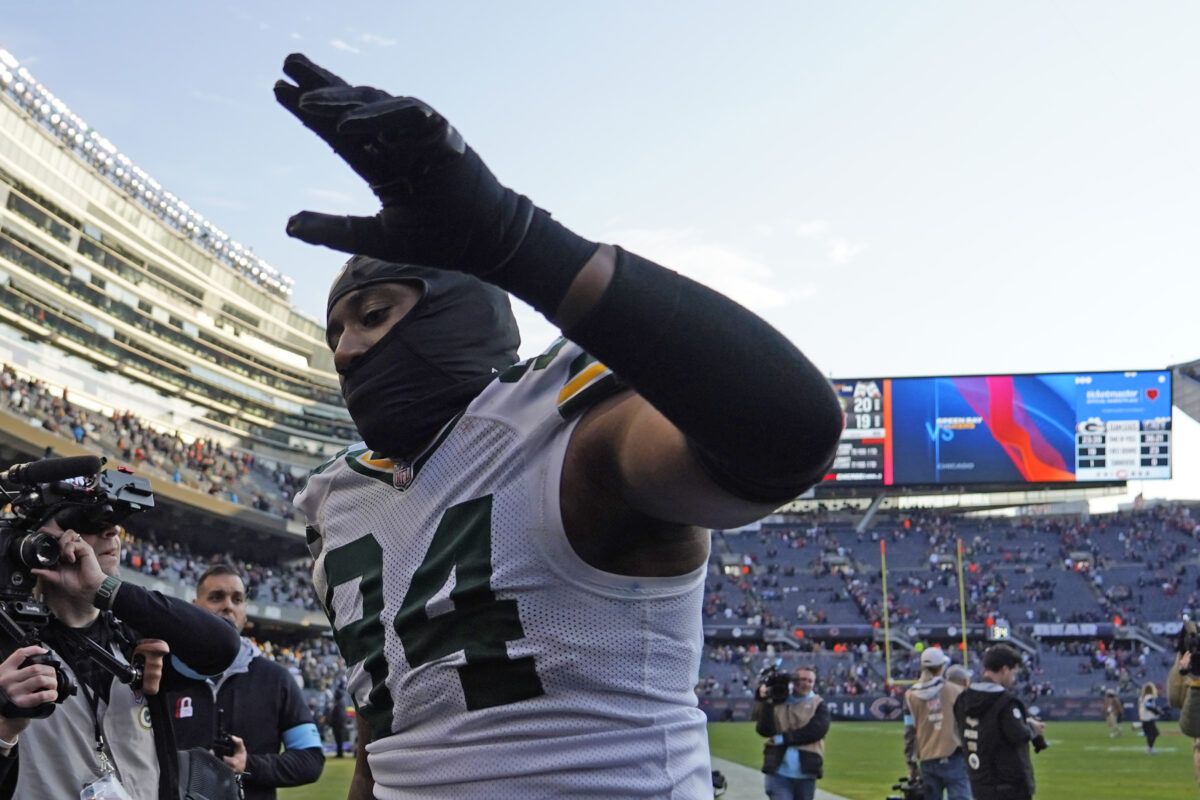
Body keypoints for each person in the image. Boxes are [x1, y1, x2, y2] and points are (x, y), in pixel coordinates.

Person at [277, 53, 844, 800]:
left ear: (460, 312)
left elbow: (787, 435)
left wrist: (519, 243)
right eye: (336, 334)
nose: (348, 350)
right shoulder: (337, 501)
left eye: (375, 315)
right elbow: (389, 738)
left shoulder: (563, 429)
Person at [13, 517, 240, 800]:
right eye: (88, 521)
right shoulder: (11, 645)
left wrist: (103, 588)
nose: (113, 530)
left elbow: (223, 644)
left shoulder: (136, 637)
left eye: (114, 519)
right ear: (42, 540)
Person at [167, 564, 324, 800]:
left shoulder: (277, 679)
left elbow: (310, 759)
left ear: (245, 612)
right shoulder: (164, 674)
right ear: (195, 607)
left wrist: (248, 764)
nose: (228, 606)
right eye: (216, 597)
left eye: (237, 599)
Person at [954, 643, 1044, 800]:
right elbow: (1019, 735)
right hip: (1008, 785)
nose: (1013, 678)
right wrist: (1032, 728)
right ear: (1004, 670)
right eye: (1013, 673)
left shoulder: (963, 699)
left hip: (979, 781)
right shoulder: (1005, 702)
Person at [752, 665, 829, 800]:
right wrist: (766, 701)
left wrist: (784, 738)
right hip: (778, 771)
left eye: (810, 681)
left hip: (806, 773)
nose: (806, 684)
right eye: (802, 679)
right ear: (793, 681)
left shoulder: (818, 704)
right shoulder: (778, 700)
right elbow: (764, 730)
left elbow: (817, 731)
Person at [903, 647, 971, 800]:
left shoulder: (910, 696)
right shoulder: (957, 691)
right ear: (942, 667)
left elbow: (910, 733)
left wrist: (911, 764)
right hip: (954, 757)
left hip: (927, 759)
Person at [1137, 681, 1162, 755]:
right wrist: (1156, 711)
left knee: (1150, 734)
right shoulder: (1149, 697)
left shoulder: (1142, 697)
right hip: (1148, 717)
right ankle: (1150, 749)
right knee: (1154, 733)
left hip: (1143, 717)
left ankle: (1149, 748)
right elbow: (1148, 706)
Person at [327, 681, 349, 758]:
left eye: (335, 694)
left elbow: (339, 715)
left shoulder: (340, 703)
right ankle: (339, 753)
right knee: (338, 740)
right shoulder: (339, 702)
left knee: (339, 740)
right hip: (338, 725)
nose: (334, 695)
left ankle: (340, 754)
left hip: (339, 725)